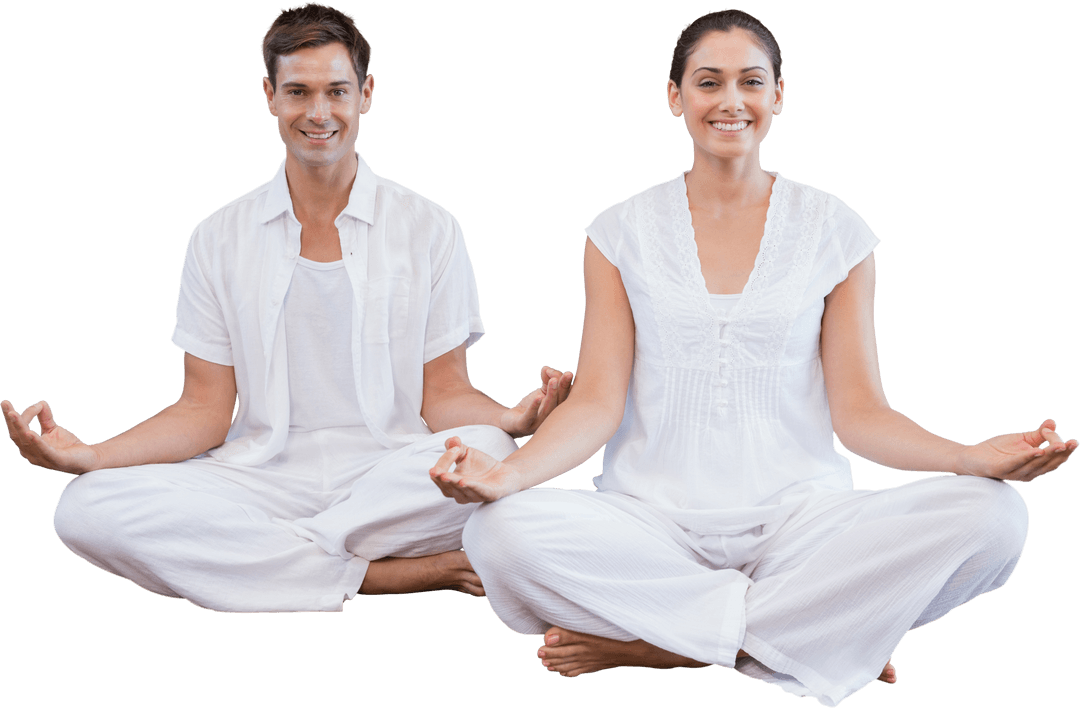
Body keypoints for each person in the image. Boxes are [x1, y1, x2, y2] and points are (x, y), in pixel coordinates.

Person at [429, 8, 1077, 705]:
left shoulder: (837, 231)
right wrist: (508, 475)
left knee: (996, 519)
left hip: (804, 526)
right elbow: (595, 403)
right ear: (676, 97)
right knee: (499, 534)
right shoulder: (620, 232)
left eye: (750, 82)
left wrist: (970, 457)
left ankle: (664, 648)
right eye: (708, 83)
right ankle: (811, 634)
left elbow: (861, 415)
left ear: (778, 96)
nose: (730, 102)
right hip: (651, 524)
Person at [0, 2, 572, 614]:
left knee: (494, 454)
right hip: (258, 477)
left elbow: (444, 393)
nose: (319, 113)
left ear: (367, 94)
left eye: (337, 91)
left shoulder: (431, 228)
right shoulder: (217, 237)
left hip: (392, 474)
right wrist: (90, 457)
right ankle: (380, 574)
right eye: (298, 91)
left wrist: (511, 420)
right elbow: (204, 410)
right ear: (270, 96)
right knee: (85, 508)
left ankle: (269, 562)